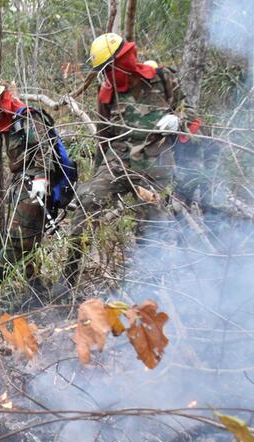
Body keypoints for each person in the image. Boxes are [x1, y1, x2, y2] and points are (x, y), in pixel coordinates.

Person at [66, 33, 198, 283]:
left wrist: (178, 120)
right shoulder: (107, 92)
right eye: (101, 71)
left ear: (121, 62)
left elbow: (189, 111)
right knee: (87, 200)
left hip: (156, 163)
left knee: (151, 228)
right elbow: (103, 137)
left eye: (108, 68)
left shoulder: (161, 78)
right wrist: (98, 175)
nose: (106, 75)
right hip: (119, 160)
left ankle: (149, 287)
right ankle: (69, 274)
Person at [0, 79, 77, 297]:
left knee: (18, 236)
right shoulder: (9, 122)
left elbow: (44, 150)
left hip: (37, 184)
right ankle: (37, 289)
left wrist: (41, 181)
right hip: (22, 183)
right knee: (29, 238)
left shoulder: (27, 117)